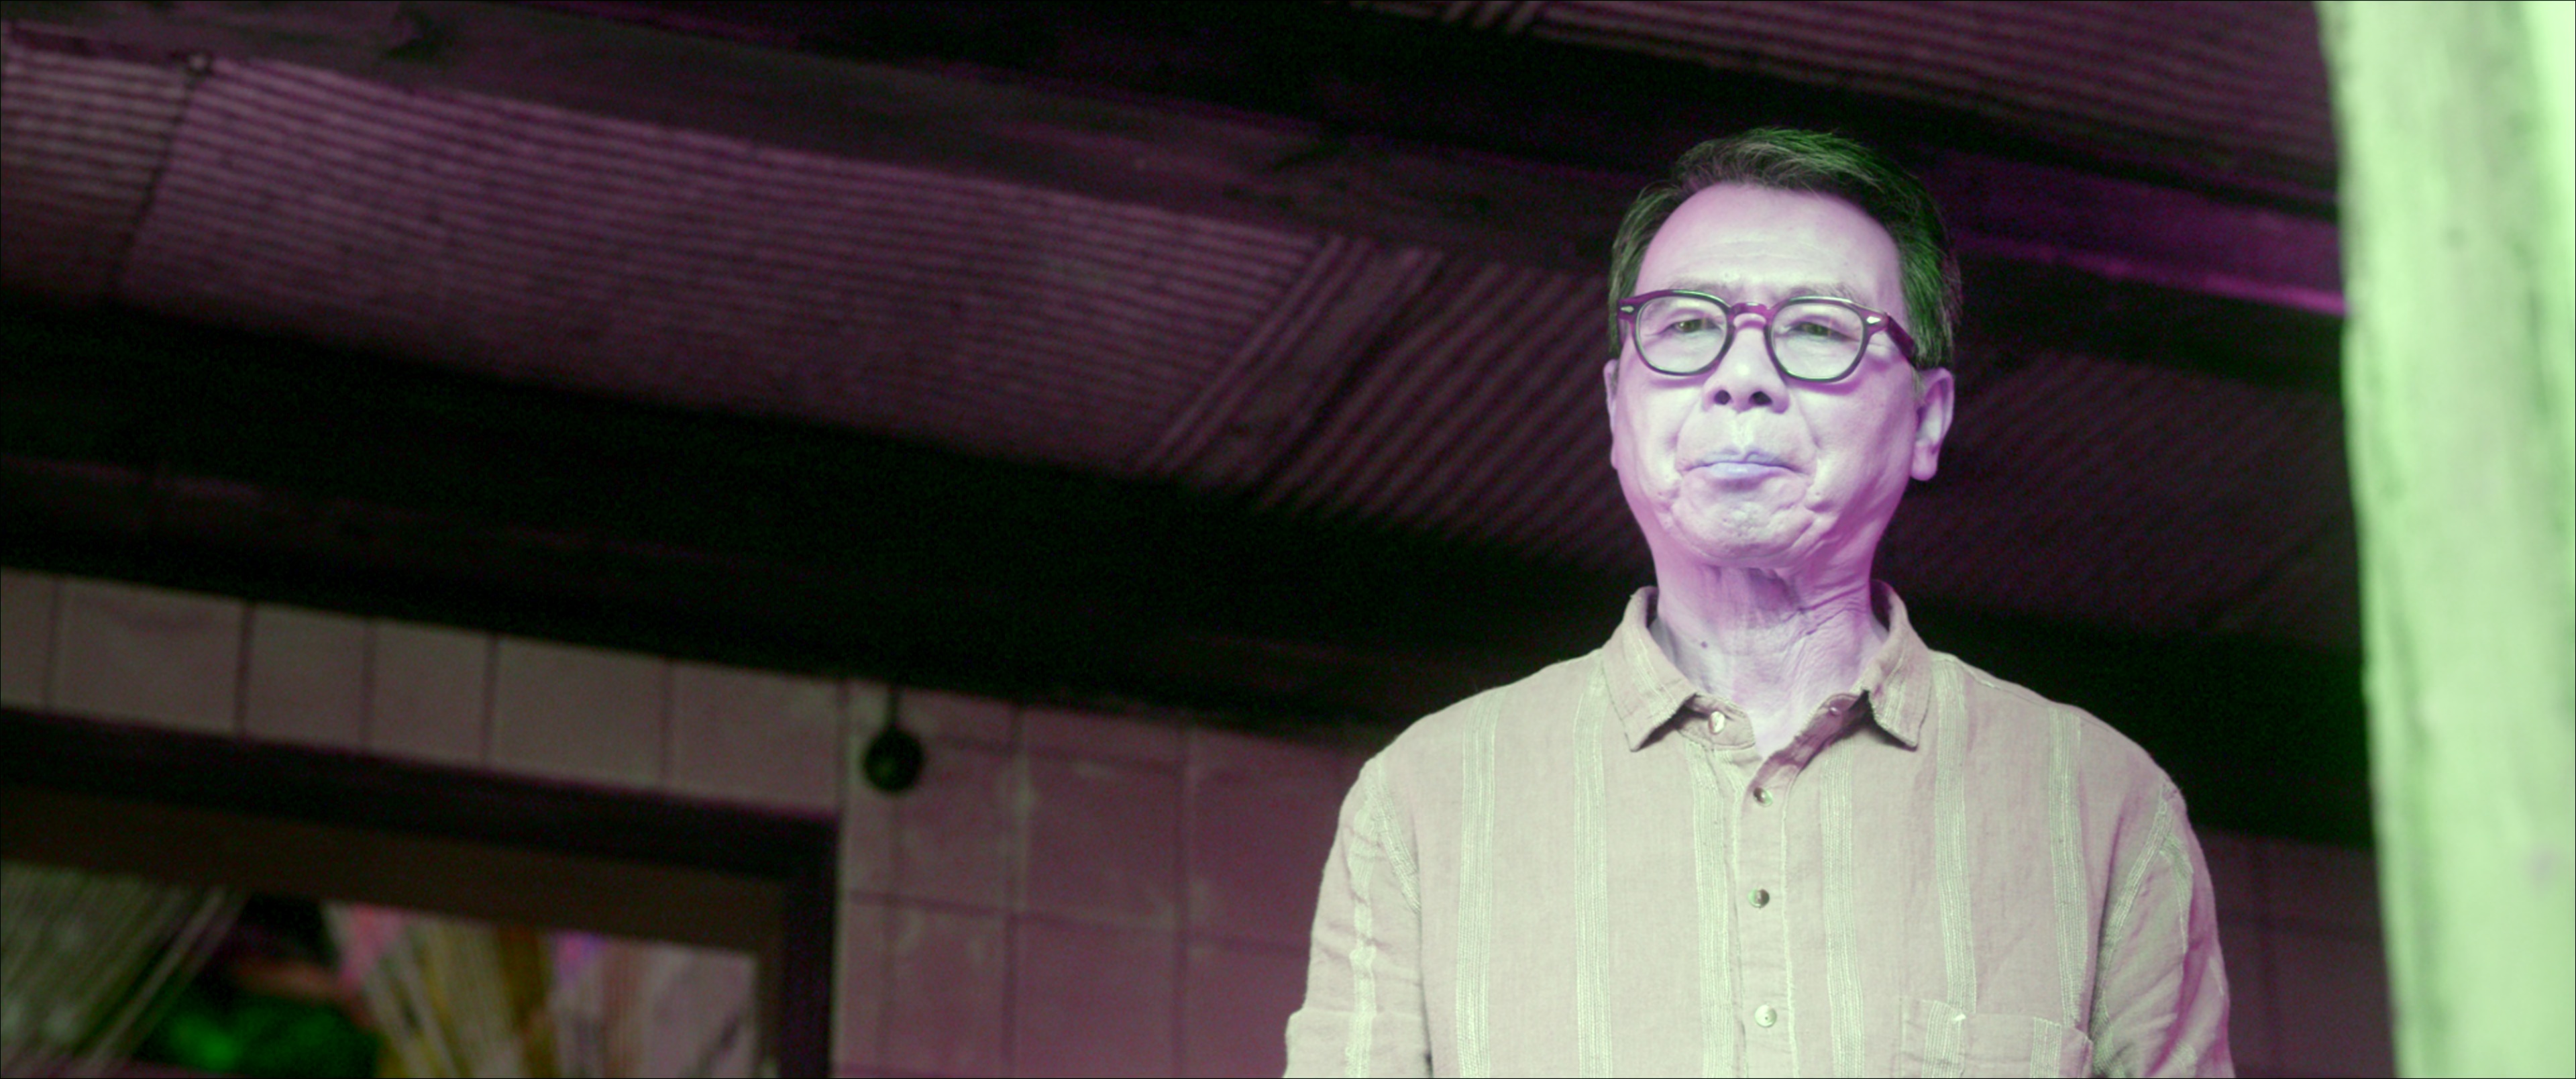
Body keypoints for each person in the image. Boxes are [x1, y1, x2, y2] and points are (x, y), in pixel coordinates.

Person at [1285, 128, 2231, 1078]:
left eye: (1819, 329)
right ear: (1616, 409)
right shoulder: (1426, 800)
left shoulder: (2101, 804)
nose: (1742, 377)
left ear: (1927, 418)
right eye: (1687, 327)